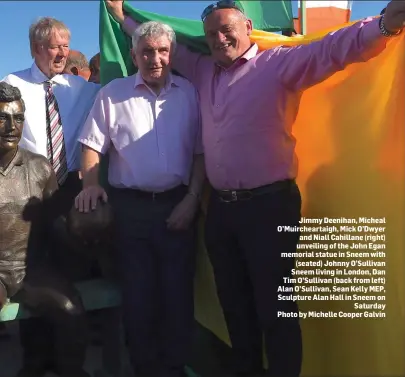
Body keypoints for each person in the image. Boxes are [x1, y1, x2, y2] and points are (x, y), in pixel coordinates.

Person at [106, 1, 405, 376]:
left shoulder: (278, 63)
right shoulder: (201, 69)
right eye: (212, 33)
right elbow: (168, 47)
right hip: (222, 212)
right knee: (235, 306)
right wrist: (122, 18)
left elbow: (332, 48)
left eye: (227, 29)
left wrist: (383, 25)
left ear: (247, 26)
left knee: (276, 310)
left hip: (270, 206)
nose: (219, 38)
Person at [75, 20, 205, 377]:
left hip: (179, 205)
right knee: (138, 297)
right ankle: (145, 368)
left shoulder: (190, 93)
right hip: (129, 211)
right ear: (133, 55)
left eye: (162, 50)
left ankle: (174, 367)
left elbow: (200, 154)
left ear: (172, 53)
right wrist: (90, 185)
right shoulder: (112, 94)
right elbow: (90, 146)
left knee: (178, 296)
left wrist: (192, 199)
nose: (155, 58)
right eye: (146, 51)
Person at [1, 17, 99, 376]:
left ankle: (65, 361)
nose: (62, 52)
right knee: (30, 265)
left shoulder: (83, 88)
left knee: (62, 274)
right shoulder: (11, 84)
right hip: (24, 193)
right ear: (35, 48)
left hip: (68, 191)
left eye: (65, 45)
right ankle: (34, 360)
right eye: (54, 46)